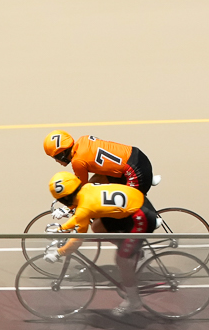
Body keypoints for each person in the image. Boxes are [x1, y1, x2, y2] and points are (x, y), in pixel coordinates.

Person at [37, 169, 155, 315]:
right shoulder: (85, 188)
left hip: (141, 217)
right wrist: (65, 218)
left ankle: (133, 300)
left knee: (121, 260)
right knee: (97, 226)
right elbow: (81, 210)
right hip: (136, 204)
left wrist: (59, 253)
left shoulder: (84, 208)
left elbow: (77, 239)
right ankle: (132, 248)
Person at [43, 130, 155, 191]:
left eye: (55, 158)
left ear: (62, 153)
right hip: (136, 157)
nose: (56, 161)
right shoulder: (83, 139)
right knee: (96, 182)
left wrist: (67, 204)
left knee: (120, 211)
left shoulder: (77, 162)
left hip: (135, 172)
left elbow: (82, 190)